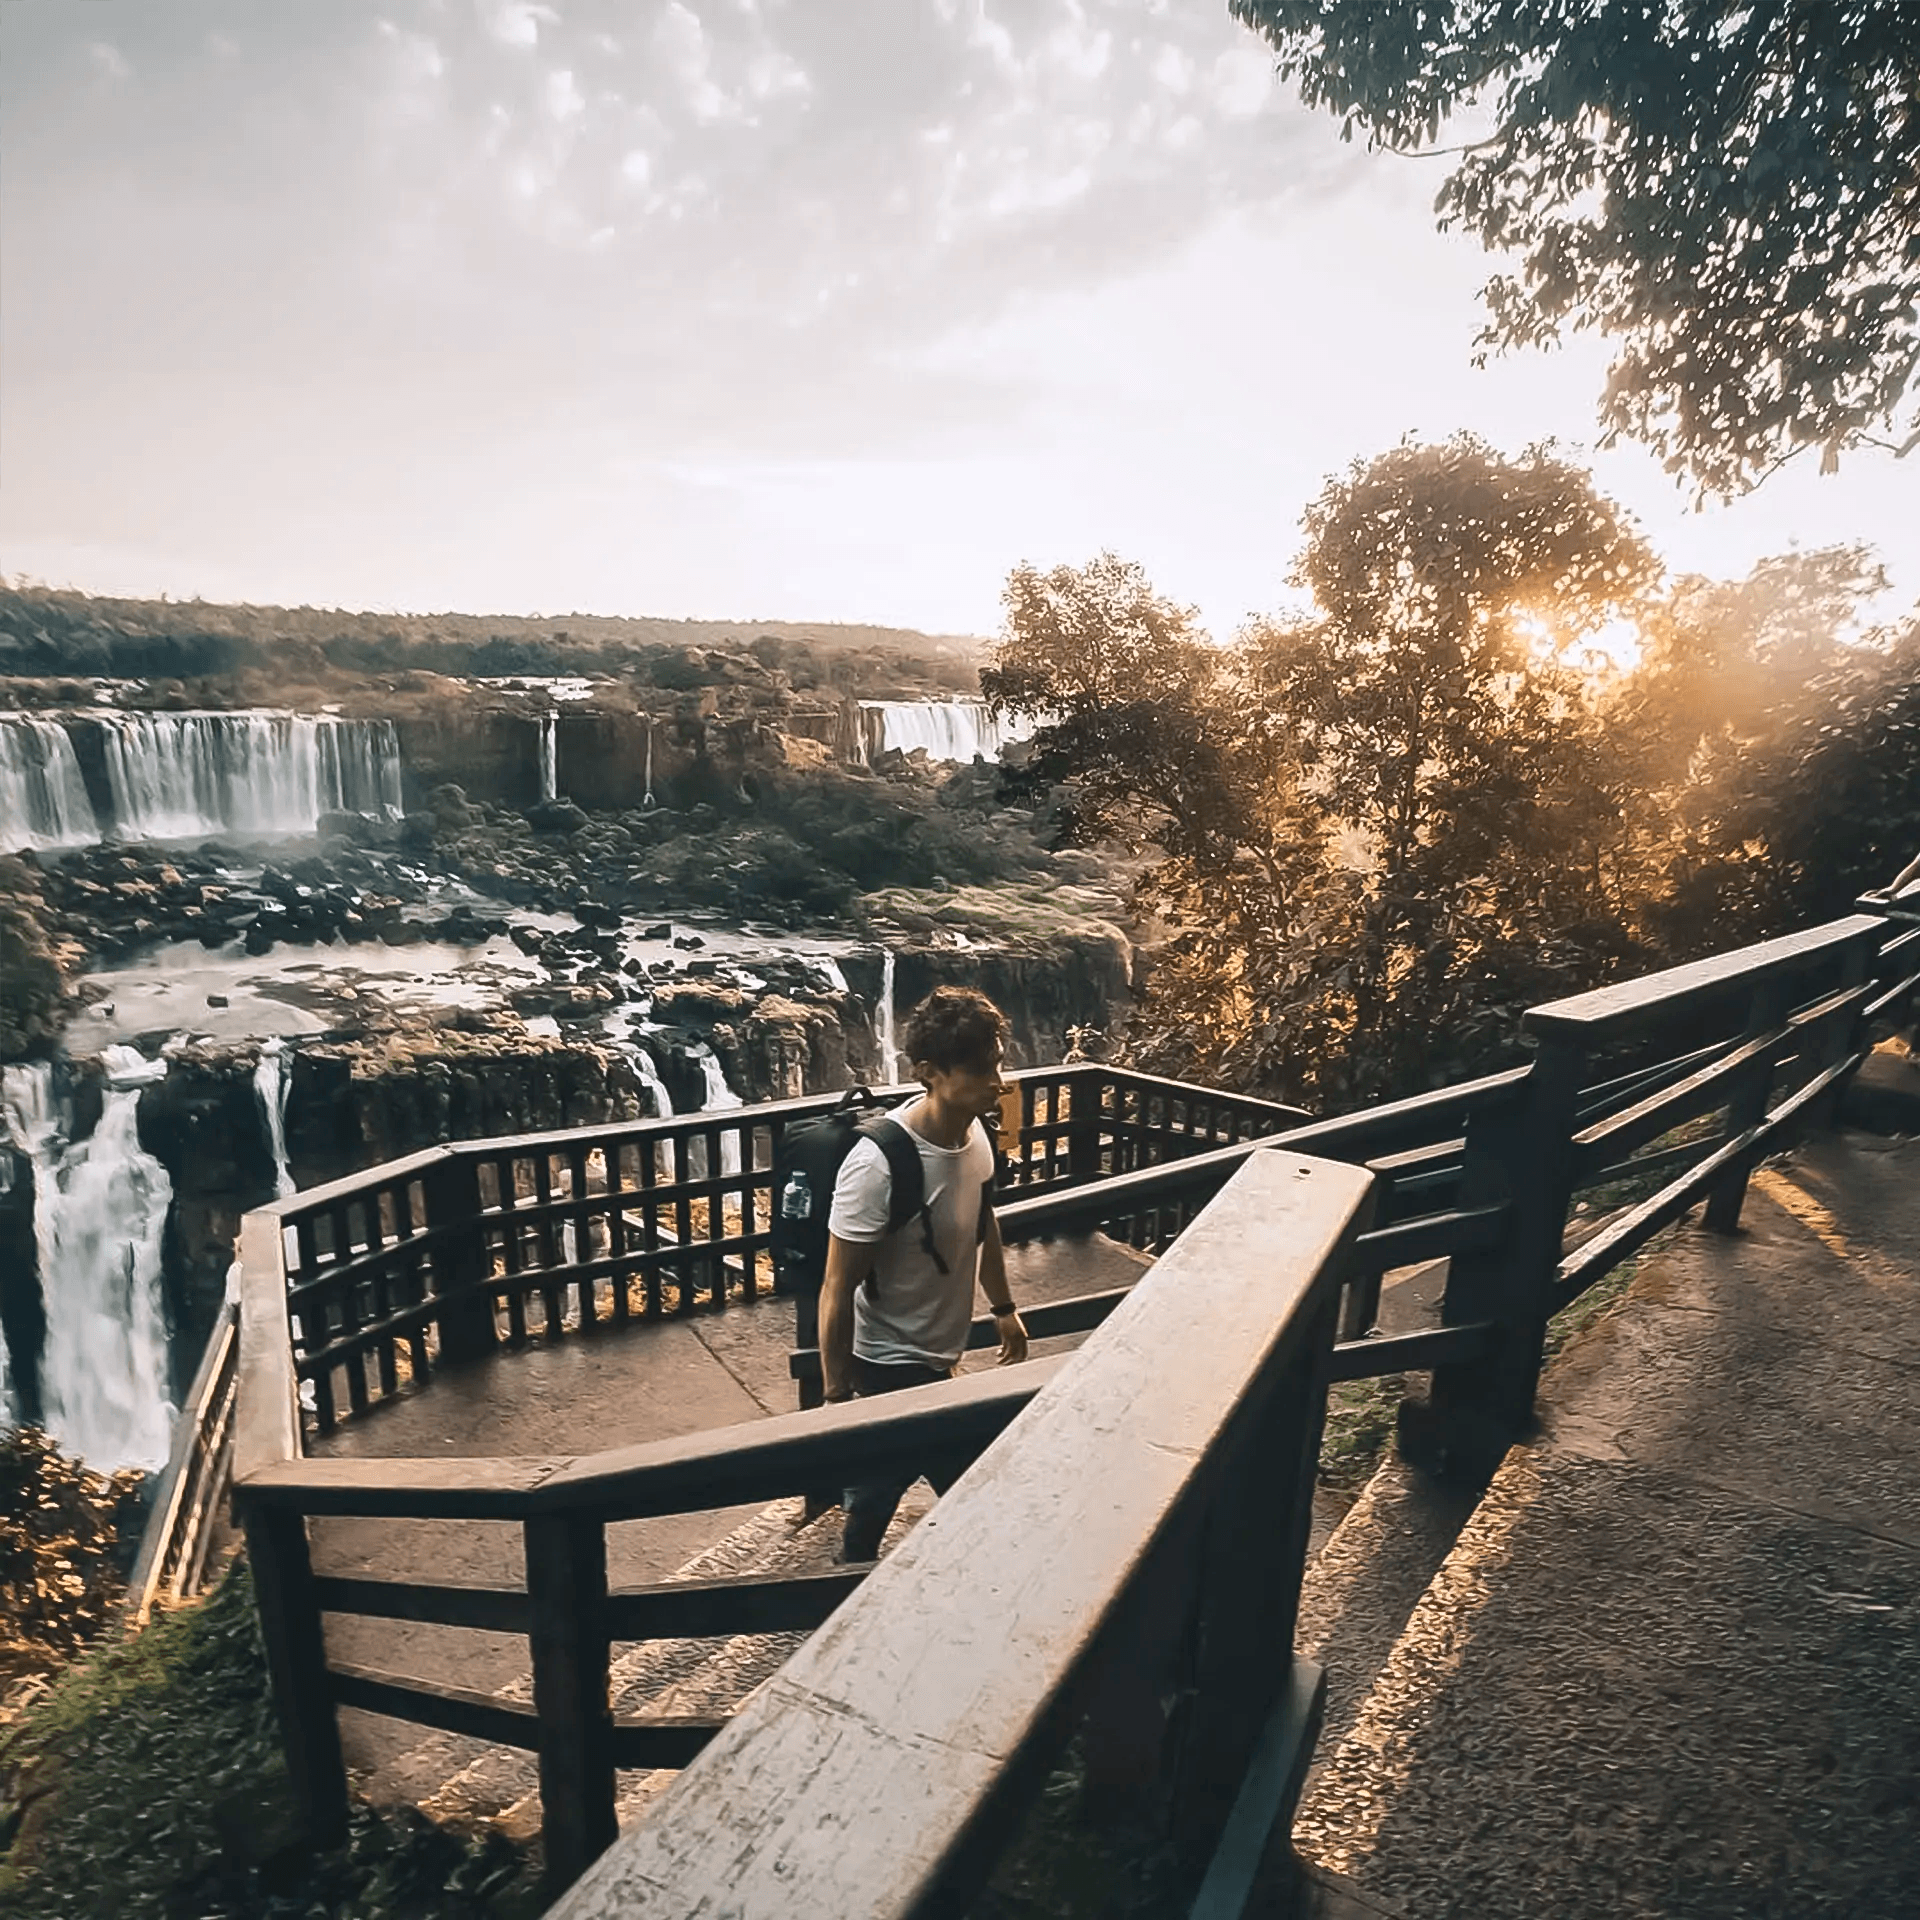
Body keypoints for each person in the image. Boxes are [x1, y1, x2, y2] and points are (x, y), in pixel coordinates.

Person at [820, 985, 1028, 1562]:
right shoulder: (877, 1166)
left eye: (1000, 1064)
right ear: (929, 1072)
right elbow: (837, 1286)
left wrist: (1004, 1310)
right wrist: (839, 1399)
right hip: (886, 1364)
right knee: (968, 1491)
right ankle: (850, 1597)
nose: (1000, 1083)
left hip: (939, 1356)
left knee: (878, 1497)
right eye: (983, 1070)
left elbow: (982, 1225)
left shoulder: (976, 1131)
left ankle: (853, 1582)